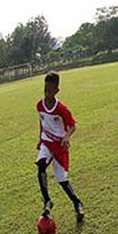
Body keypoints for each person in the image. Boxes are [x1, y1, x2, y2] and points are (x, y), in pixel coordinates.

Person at [37, 72, 85, 222]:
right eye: (45, 90)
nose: (47, 93)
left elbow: (73, 125)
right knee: (41, 165)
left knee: (62, 180)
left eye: (50, 91)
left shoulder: (61, 108)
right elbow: (42, 122)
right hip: (46, 141)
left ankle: (77, 203)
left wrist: (67, 136)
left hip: (59, 145)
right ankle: (47, 201)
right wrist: (40, 139)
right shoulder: (40, 105)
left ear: (57, 91)